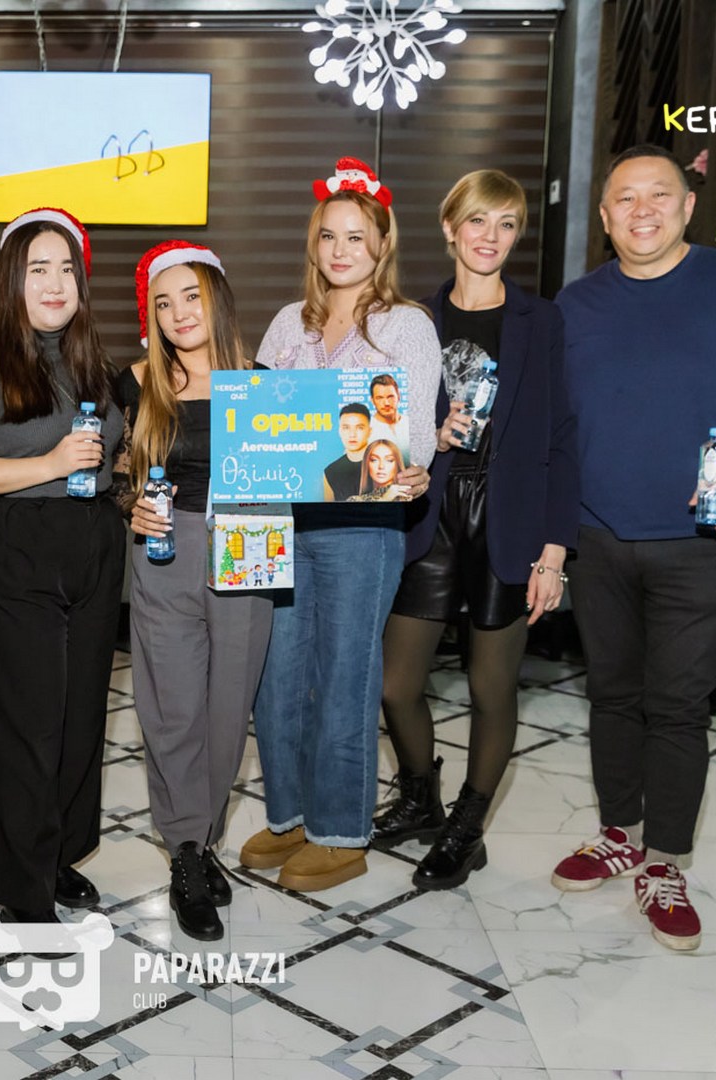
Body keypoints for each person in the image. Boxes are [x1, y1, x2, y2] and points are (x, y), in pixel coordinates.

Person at [550, 145, 716, 951]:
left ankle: (663, 860)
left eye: (657, 195)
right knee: (610, 695)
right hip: (596, 534)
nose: (642, 210)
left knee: (677, 705)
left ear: (687, 205)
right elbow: (553, 423)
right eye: (624, 198)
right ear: (603, 216)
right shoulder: (575, 304)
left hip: (699, 538)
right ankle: (618, 833)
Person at [372, 169, 578, 893]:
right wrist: (428, 435)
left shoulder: (541, 321)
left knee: (492, 686)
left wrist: (554, 550)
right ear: (449, 227)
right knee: (396, 684)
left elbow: (561, 437)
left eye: (506, 224)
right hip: (428, 507)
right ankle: (421, 796)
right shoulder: (411, 321)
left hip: (510, 514)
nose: (491, 236)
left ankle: (467, 824)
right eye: (478, 221)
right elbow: (383, 424)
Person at [239, 158, 439, 892]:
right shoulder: (287, 323)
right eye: (329, 236)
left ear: (382, 244)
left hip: (361, 526)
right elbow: (257, 425)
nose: (341, 249)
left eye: (356, 236)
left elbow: (415, 436)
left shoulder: (406, 325)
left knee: (345, 676)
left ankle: (340, 832)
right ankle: (290, 816)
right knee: (276, 677)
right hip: (278, 524)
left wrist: (413, 467)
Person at [0, 207, 124, 924]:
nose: (54, 284)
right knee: (28, 724)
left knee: (80, 717)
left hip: (94, 541)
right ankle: (23, 894)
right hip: (21, 544)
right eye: (37, 269)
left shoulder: (91, 362)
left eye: (66, 269)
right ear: (12, 282)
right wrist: (49, 463)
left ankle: (56, 856)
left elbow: (111, 456)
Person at [118, 240, 271, 941]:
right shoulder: (136, 381)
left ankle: (203, 840)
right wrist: (130, 504)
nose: (179, 313)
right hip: (166, 551)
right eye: (163, 302)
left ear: (217, 299)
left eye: (191, 296)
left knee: (226, 710)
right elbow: (113, 469)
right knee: (171, 708)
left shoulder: (263, 384)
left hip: (249, 542)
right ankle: (184, 852)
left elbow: (317, 467)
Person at [322, 403, 371, 501]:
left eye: (359, 428)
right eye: (346, 428)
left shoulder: (385, 464)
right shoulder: (331, 471)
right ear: (339, 431)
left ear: (370, 431)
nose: (352, 434)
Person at [348, 438, 405, 502]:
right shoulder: (356, 500)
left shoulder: (409, 496)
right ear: (366, 464)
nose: (381, 466)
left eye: (389, 460)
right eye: (374, 460)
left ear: (397, 464)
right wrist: (385, 499)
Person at [369, 373, 404, 445]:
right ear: (372, 401)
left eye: (390, 397)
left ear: (398, 396)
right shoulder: (366, 430)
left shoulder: (407, 422)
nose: (386, 403)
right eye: (380, 398)